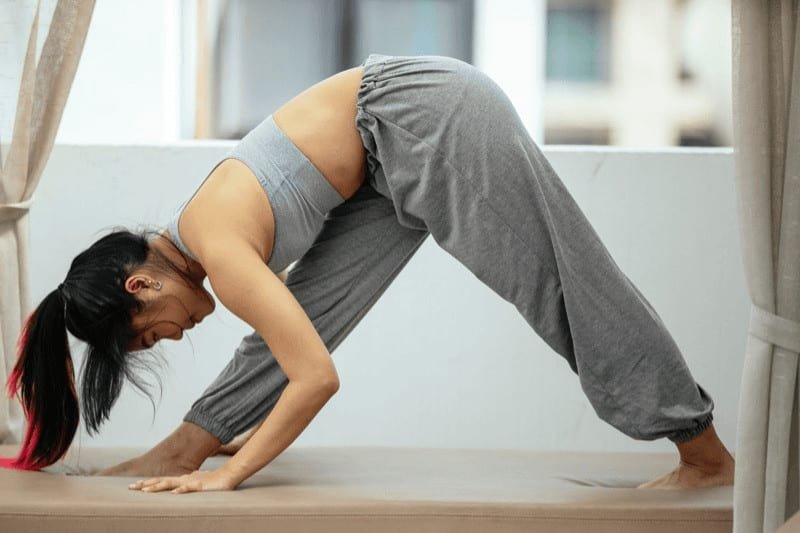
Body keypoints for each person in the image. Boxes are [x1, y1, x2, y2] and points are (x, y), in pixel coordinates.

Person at [1, 54, 735, 492]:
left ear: (142, 285)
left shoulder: (218, 248)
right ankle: (192, 439)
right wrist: (214, 450)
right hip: (382, 158)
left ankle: (703, 452)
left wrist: (235, 472)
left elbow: (316, 377)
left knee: (557, 278)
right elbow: (294, 344)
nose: (170, 336)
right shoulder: (201, 235)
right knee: (294, 321)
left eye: (149, 336)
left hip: (424, 116)